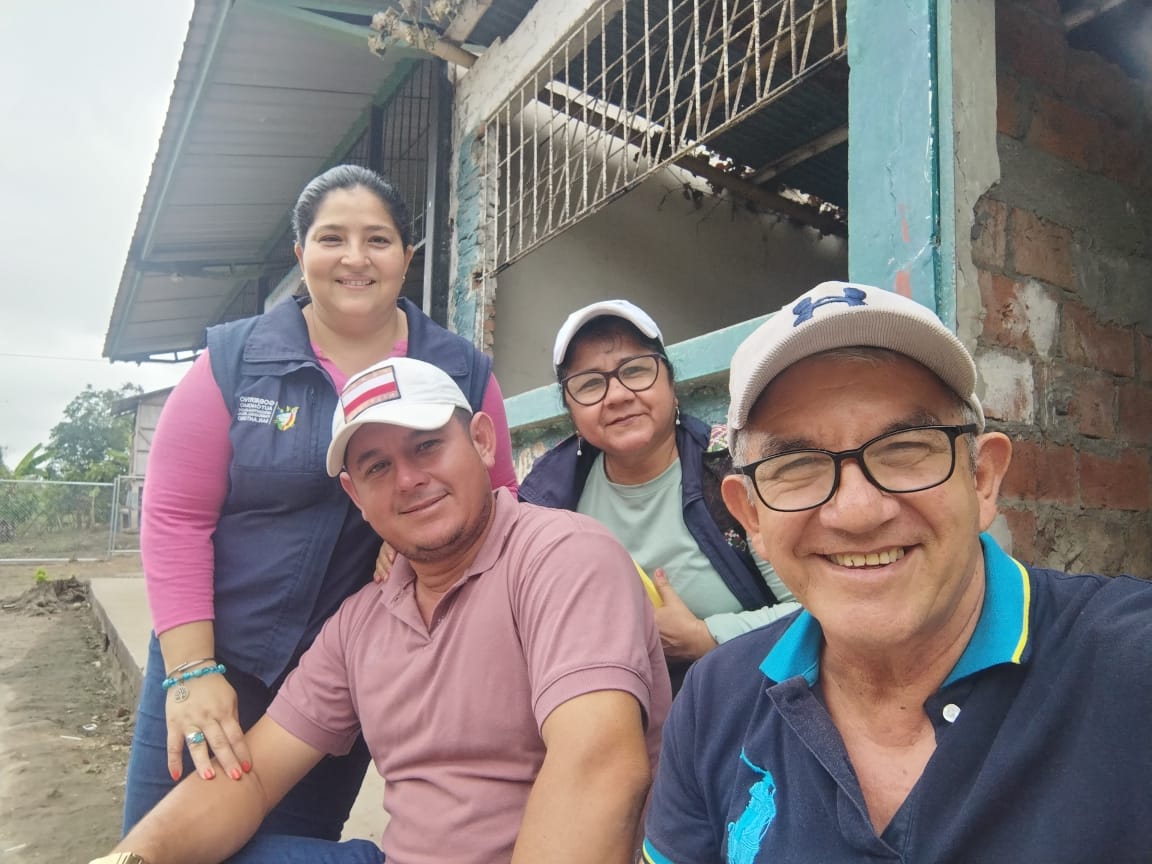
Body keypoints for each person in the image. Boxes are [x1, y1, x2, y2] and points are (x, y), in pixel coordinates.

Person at [642, 281, 1152, 863]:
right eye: (797, 465)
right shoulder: (714, 700)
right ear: (751, 515)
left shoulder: (1131, 669)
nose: (858, 512)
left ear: (982, 479)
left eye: (906, 448)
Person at [97, 357, 670, 864]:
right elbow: (254, 778)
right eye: (377, 467)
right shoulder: (361, 622)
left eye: (426, 446)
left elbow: (599, 768)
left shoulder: (562, 558)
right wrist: (132, 859)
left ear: (482, 441)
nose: (409, 480)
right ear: (356, 496)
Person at [121, 165, 519, 840]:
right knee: (163, 845)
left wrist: (420, 543)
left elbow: (498, 500)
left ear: (408, 256)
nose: (355, 258)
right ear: (300, 252)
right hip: (215, 656)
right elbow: (175, 516)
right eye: (332, 238)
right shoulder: (236, 360)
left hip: (337, 684)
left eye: (378, 240)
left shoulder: (461, 371)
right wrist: (191, 670)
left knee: (287, 848)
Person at [518, 300, 800, 686]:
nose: (617, 395)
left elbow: (812, 612)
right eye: (589, 384)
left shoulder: (731, 468)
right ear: (572, 412)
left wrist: (706, 637)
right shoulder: (548, 498)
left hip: (741, 698)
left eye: (635, 370)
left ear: (670, 383)